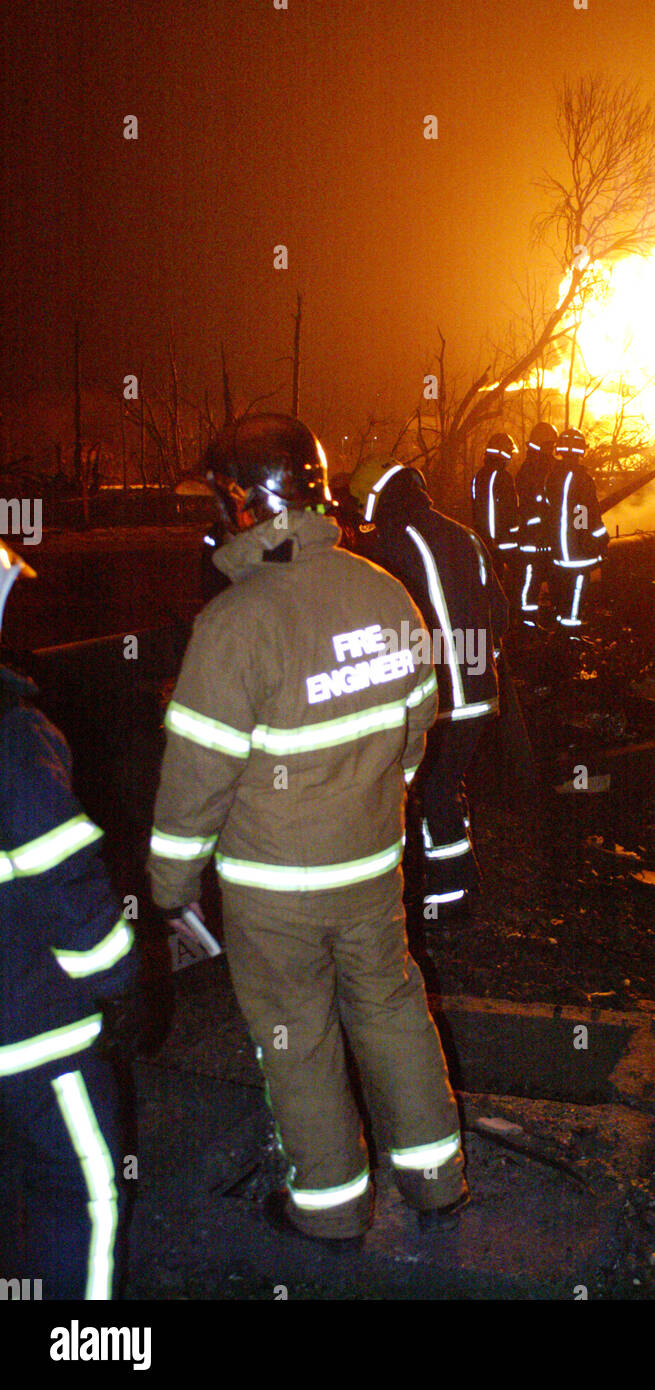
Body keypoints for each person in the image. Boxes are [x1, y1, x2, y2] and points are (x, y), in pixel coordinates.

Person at [146, 416, 467, 1245]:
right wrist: (373, 804)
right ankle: (436, 1180)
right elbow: (415, 728)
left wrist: (170, 890)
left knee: (298, 1035)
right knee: (393, 1010)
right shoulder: (383, 590)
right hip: (371, 870)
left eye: (220, 499)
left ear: (249, 506)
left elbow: (195, 780)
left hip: (274, 892)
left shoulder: (234, 624)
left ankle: (327, 1211)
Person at [0, 539, 137, 1299]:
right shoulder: (15, 743)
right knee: (79, 1198)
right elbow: (69, 890)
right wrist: (121, 978)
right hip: (34, 1040)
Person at [349, 457, 508, 921]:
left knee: (432, 786)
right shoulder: (465, 535)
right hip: (481, 691)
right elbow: (499, 612)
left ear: (377, 496)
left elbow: (386, 625)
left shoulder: (392, 543)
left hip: (438, 699)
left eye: (360, 503)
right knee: (447, 782)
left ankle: (451, 892)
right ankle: (454, 882)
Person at [546, 428, 609, 635]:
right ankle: (570, 636)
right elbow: (583, 512)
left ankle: (558, 627)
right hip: (577, 553)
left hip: (557, 551)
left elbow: (551, 511)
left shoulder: (552, 477)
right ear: (581, 450)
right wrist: (597, 537)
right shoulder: (582, 479)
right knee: (576, 591)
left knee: (561, 592)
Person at [514, 421, 558, 628]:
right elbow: (535, 504)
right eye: (549, 445)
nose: (552, 450)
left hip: (546, 541)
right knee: (531, 585)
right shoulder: (531, 470)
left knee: (552, 585)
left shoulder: (544, 467)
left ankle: (544, 624)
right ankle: (528, 626)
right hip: (533, 541)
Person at [470, 433, 520, 579]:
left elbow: (477, 510)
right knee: (511, 583)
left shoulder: (478, 476)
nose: (510, 457)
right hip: (503, 543)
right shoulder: (503, 477)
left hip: (484, 542)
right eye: (509, 453)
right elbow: (509, 510)